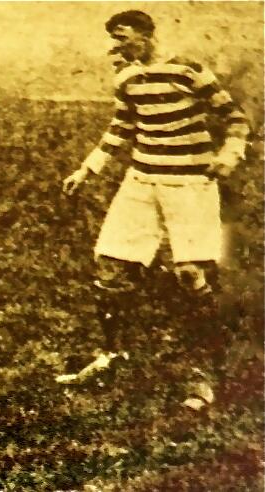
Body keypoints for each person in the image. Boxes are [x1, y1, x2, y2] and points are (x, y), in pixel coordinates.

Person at [59, 10, 249, 410]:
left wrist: (229, 154)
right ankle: (112, 355)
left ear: (146, 36)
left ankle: (202, 372)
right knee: (110, 268)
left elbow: (234, 118)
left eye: (123, 37)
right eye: (114, 38)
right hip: (142, 181)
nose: (116, 45)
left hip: (190, 183)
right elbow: (121, 127)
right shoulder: (126, 77)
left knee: (190, 276)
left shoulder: (188, 70)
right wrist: (86, 169)